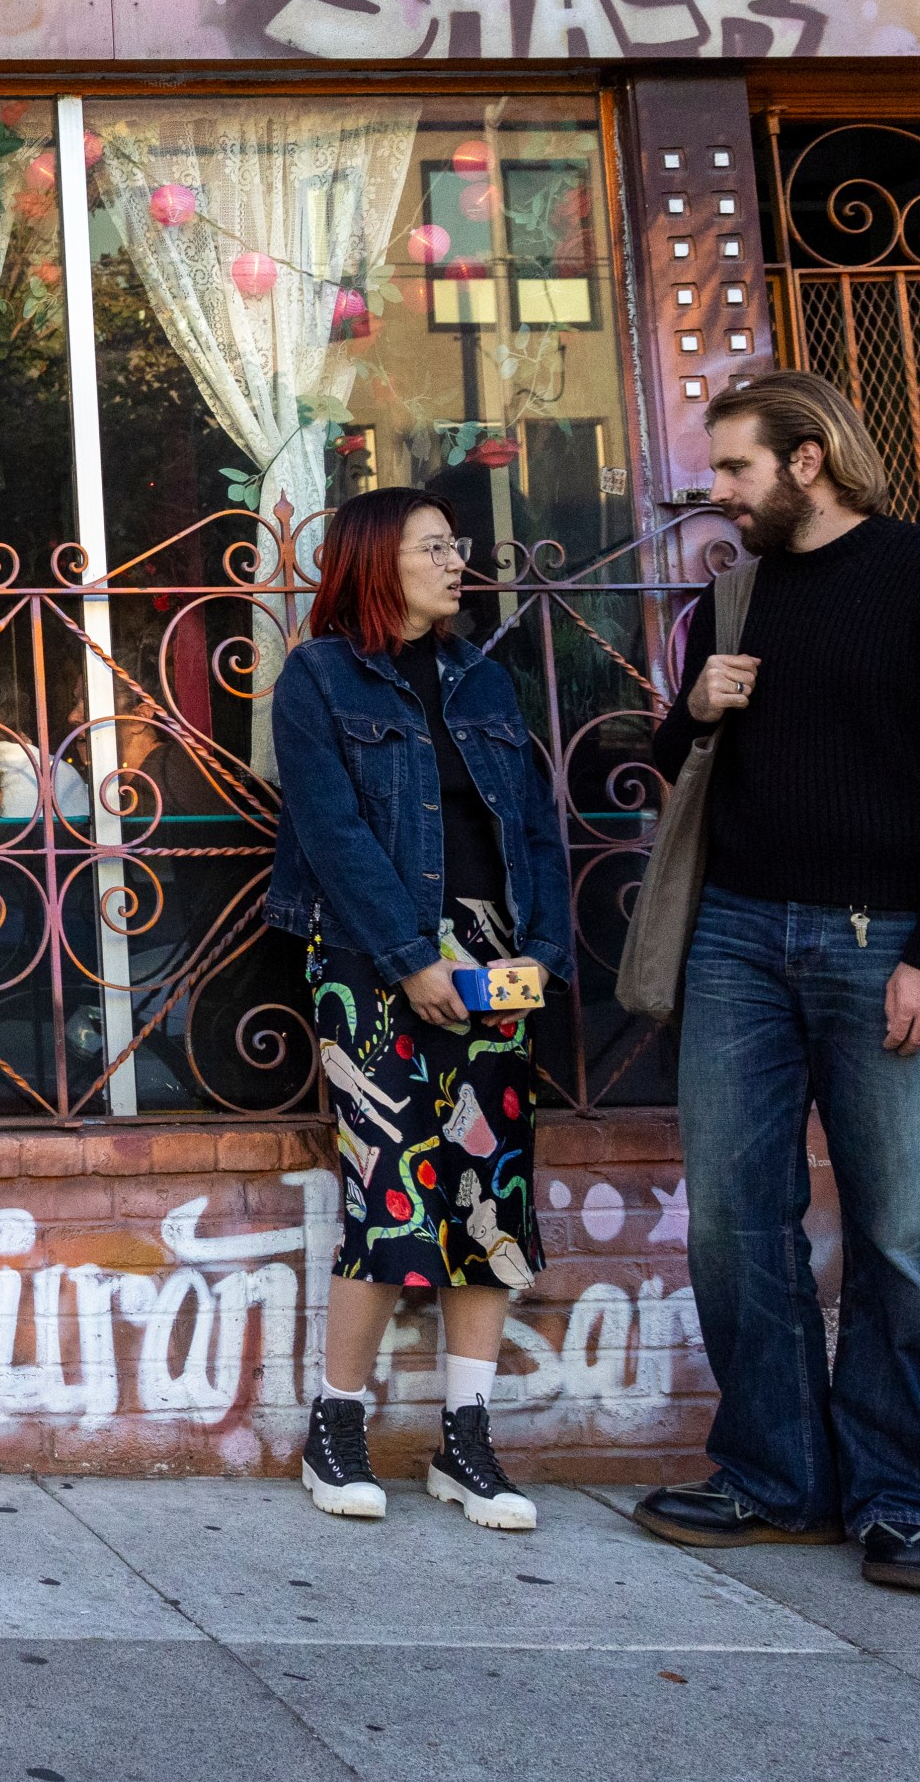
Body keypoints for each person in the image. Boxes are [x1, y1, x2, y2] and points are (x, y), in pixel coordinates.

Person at [631, 371, 920, 1597]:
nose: (718, 491)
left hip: (885, 941)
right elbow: (678, 767)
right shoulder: (731, 599)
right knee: (731, 1221)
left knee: (895, 1234)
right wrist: (687, 707)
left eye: (737, 468)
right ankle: (771, 1475)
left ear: (806, 459)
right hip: (736, 939)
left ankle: (905, 1500)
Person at [268, 484, 575, 1532]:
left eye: (456, 545)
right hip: (368, 956)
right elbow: (330, 829)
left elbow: (532, 824)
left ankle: (465, 1437)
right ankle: (336, 1424)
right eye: (433, 546)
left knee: (489, 1192)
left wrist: (538, 951)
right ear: (372, 560)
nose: (457, 562)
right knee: (388, 1184)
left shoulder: (483, 679)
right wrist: (408, 958)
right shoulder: (316, 678)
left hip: (494, 960)